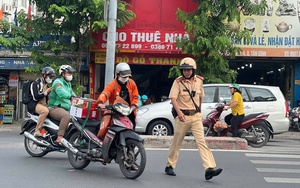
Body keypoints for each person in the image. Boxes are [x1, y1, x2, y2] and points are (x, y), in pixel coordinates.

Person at [165, 57, 222, 180]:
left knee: (201, 142)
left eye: (189, 70)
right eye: (184, 70)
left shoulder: (199, 81)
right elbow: (173, 98)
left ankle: (209, 168)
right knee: (177, 142)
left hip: (195, 116)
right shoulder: (178, 82)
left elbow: (200, 97)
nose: (186, 72)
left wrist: (199, 112)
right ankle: (170, 165)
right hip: (182, 117)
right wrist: (179, 113)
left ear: (193, 70)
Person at [97, 62, 139, 130]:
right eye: (124, 76)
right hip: (115, 112)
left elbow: (135, 97)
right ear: (118, 74)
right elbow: (105, 94)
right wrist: (101, 102)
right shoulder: (112, 84)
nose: (126, 78)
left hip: (129, 112)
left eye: (127, 76)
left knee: (131, 129)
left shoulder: (132, 83)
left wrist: (133, 106)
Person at [48, 65, 76, 144]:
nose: (71, 75)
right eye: (69, 73)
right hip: (54, 107)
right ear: (63, 74)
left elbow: (72, 93)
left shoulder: (68, 84)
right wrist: (71, 97)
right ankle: (59, 137)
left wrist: (78, 98)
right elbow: (61, 93)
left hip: (65, 108)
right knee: (66, 116)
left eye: (71, 73)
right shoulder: (58, 82)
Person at [27, 67, 56, 137]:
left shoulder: (45, 85)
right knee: (45, 111)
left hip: (43, 104)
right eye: (50, 76)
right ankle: (37, 130)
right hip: (35, 104)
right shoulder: (35, 83)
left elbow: (46, 97)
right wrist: (46, 93)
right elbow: (35, 96)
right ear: (44, 75)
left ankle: (47, 133)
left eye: (52, 77)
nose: (51, 78)